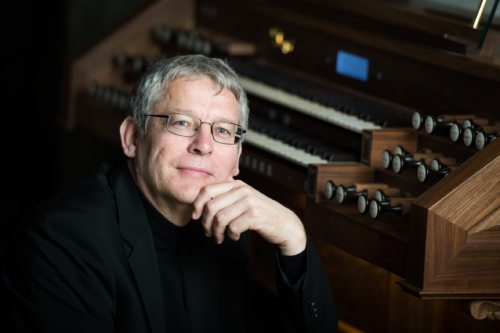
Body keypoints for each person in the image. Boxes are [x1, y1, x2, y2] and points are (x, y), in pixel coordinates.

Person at [1, 54, 337, 332]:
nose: (203, 145)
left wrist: (294, 237)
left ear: (236, 158)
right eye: (181, 122)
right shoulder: (65, 239)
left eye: (222, 130)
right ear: (132, 137)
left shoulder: (222, 228)